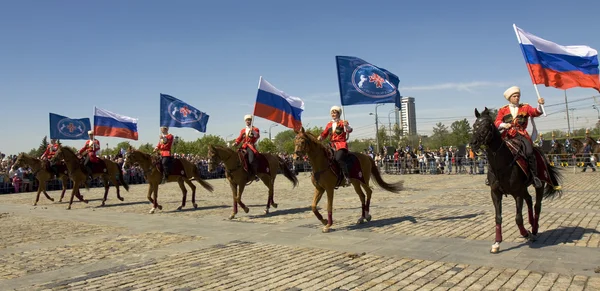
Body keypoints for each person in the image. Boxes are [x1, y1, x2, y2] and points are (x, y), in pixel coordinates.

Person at [494, 86, 544, 188]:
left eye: (518, 96)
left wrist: (539, 104)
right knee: (495, 152)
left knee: (529, 152)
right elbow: (497, 122)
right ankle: (493, 176)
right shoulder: (503, 110)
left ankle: (534, 176)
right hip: (507, 135)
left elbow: (535, 112)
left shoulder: (525, 107)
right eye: (515, 96)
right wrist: (503, 125)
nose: (517, 98)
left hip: (521, 135)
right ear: (509, 98)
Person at [318, 106, 353, 186]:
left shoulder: (342, 122)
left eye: (335, 112)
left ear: (339, 114)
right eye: (332, 113)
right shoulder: (329, 124)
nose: (333, 114)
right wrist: (318, 138)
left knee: (338, 158)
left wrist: (346, 125)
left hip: (341, 145)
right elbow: (324, 134)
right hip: (331, 145)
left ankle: (346, 177)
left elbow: (349, 130)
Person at [233, 115, 260, 180]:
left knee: (251, 160)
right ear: (245, 121)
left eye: (249, 120)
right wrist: (236, 143)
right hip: (243, 146)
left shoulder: (255, 129)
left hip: (250, 146)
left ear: (251, 121)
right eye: (247, 120)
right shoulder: (243, 130)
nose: (248, 121)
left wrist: (253, 131)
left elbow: (257, 136)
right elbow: (239, 138)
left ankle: (254, 174)